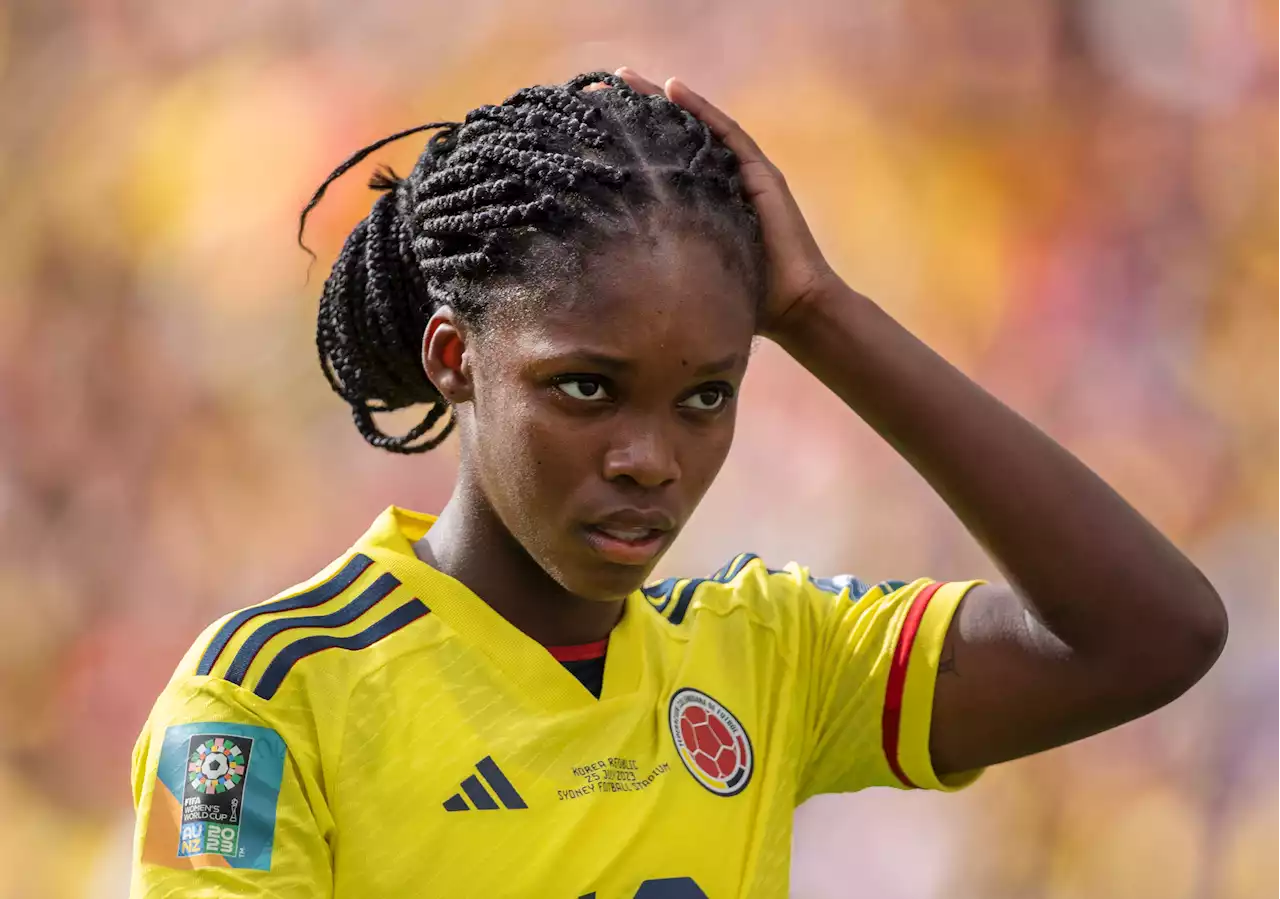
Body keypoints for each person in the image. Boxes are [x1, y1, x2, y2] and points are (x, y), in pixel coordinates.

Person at [128, 68, 1228, 898]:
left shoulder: (766, 653)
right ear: (455, 359)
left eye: (705, 395)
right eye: (587, 388)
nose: (649, 457)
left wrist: (820, 316)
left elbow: (1149, 632)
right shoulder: (260, 700)